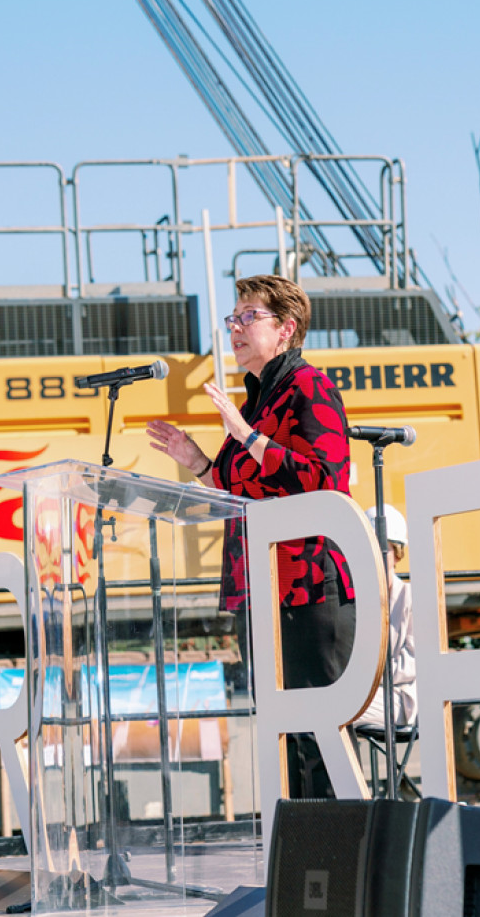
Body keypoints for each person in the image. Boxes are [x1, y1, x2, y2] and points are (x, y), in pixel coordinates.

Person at [147, 274, 354, 799]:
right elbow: (244, 486)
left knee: (318, 742)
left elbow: (323, 479)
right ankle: (299, 868)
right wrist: (196, 459)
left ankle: (337, 865)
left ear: (286, 329)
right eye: (232, 318)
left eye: (248, 317)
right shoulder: (260, 399)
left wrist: (248, 436)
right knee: (284, 738)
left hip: (308, 588)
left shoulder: (309, 386)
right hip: (261, 591)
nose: (235, 328)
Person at [354, 504, 416, 728]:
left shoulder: (410, 597)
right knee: (332, 709)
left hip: (400, 697)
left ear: (397, 554)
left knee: (340, 711)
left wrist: (366, 676)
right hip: (365, 693)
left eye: (383, 549)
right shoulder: (359, 601)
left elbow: (413, 663)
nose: (375, 555)